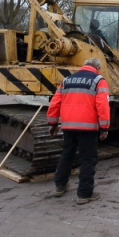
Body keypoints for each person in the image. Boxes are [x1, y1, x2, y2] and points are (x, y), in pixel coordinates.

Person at [47, 57, 110, 204]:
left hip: (68, 126)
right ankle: (84, 194)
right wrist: (104, 127)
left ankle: (60, 186)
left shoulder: (67, 80)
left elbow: (55, 102)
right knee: (88, 159)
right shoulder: (99, 80)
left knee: (66, 154)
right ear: (97, 68)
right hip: (88, 127)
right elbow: (102, 105)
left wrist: (53, 123)